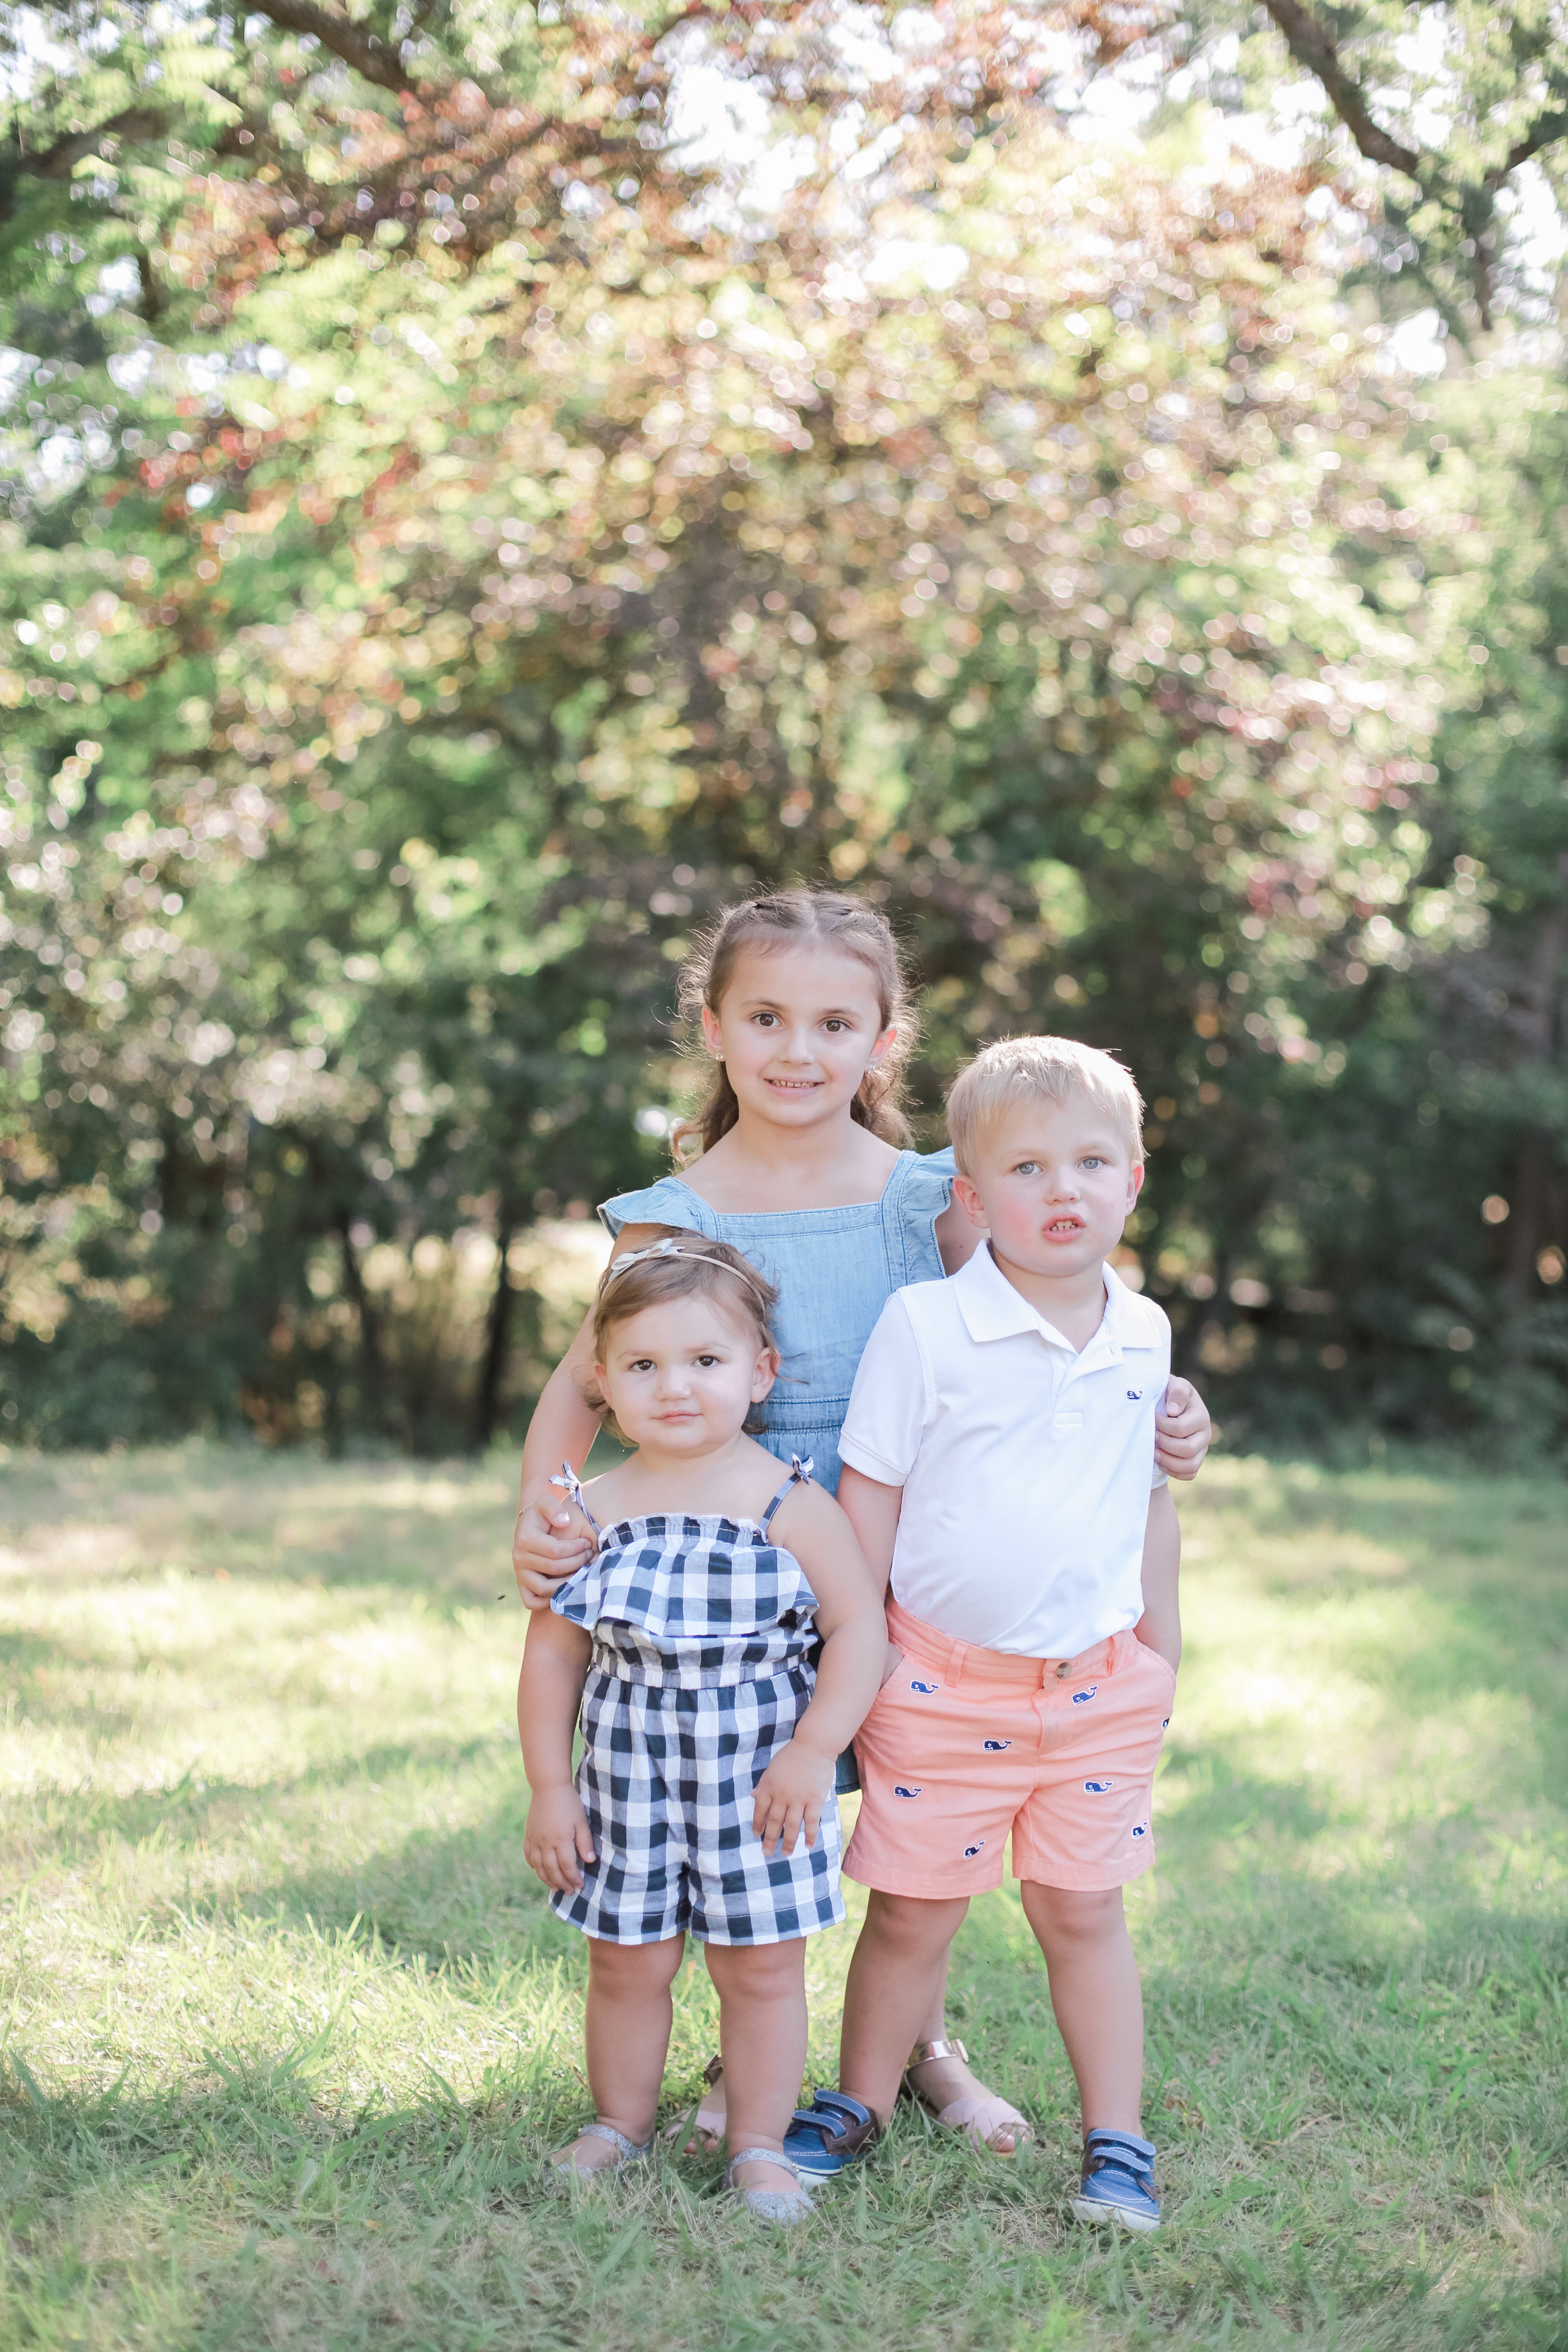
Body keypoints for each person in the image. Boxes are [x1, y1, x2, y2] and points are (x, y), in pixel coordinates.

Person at [513, 886, 1212, 2153]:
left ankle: (916, 2056)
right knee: (752, 1804)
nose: (798, 1049)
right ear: (713, 1027)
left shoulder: (928, 1196)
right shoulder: (681, 1214)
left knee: (904, 1819)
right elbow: (581, 1380)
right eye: (766, 1017)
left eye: (834, 1021)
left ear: (883, 1039)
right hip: (727, 1569)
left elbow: (1044, 1327)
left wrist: (1165, 1413)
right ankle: (749, 2057)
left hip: (901, 1559)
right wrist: (547, 1509)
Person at [784, 1036, 1182, 2232]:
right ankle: (859, 2099)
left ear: (1134, 1178)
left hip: (1099, 1688)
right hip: (942, 1684)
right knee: (912, 1910)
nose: (1063, 1190)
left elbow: (1148, 1499)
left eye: (1091, 1162)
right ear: (970, 1195)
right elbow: (873, 1498)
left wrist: (1165, 1651)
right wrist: (872, 1651)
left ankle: (1117, 2140)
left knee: (1082, 1911)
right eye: (1027, 1168)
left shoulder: (1144, 1330)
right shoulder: (929, 1324)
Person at [518, 1232, 884, 2225]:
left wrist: (815, 1750)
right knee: (627, 1961)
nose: (675, 1386)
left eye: (706, 1361)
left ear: (761, 1372)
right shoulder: (591, 1510)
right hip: (626, 1788)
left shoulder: (788, 1500)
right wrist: (553, 1788)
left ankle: (761, 2143)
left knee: (762, 1966)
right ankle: (618, 2124)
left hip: (761, 1788)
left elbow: (860, 1629)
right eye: (643, 1365)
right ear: (603, 1383)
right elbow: (554, 1657)